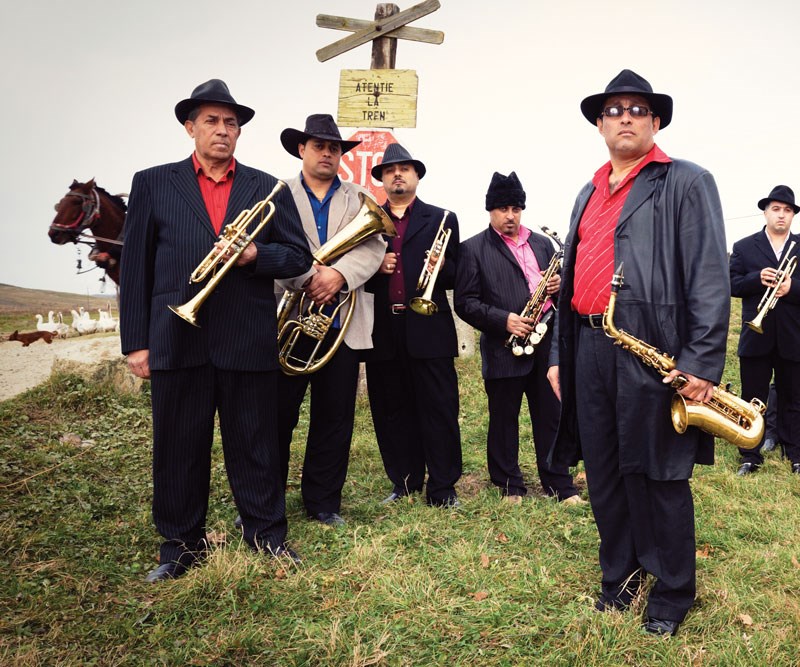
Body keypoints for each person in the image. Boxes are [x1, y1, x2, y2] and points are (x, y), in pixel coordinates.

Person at [546, 70, 729, 635]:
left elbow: (708, 277)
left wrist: (699, 363)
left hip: (656, 353)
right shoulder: (587, 190)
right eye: (614, 109)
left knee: (658, 474)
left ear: (655, 122)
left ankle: (672, 592)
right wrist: (558, 353)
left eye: (638, 109)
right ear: (600, 124)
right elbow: (569, 278)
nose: (625, 116)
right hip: (588, 349)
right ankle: (620, 579)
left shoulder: (687, 181)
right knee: (602, 470)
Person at [120, 79, 312, 582]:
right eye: (211, 121)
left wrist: (254, 254)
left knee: (255, 443)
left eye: (231, 123)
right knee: (178, 443)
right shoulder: (152, 183)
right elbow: (134, 268)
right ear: (190, 127)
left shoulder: (267, 188)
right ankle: (180, 546)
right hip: (175, 335)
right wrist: (135, 343)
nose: (222, 130)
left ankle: (266, 535)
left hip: (246, 336)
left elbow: (297, 258)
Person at [274, 114, 386, 525]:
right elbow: (268, 245)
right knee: (276, 418)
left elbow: (374, 249)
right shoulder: (278, 193)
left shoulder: (359, 196)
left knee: (334, 418)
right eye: (318, 145)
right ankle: (266, 499)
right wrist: (308, 278)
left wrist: (339, 275)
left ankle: (323, 503)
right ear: (301, 149)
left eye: (334, 147)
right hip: (288, 320)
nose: (327, 152)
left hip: (342, 324)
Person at [454, 171, 582, 505]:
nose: (510, 215)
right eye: (502, 208)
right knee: (503, 418)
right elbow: (464, 302)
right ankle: (509, 485)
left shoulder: (543, 244)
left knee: (551, 416)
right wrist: (504, 320)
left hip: (546, 342)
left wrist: (559, 286)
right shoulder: (472, 249)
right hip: (503, 346)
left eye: (515, 207)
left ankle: (560, 484)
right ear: (490, 210)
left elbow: (564, 289)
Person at [363, 143, 462, 507]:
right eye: (390, 171)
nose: (398, 174)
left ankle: (443, 486)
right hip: (384, 327)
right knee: (391, 408)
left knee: (438, 407)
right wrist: (376, 268)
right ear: (383, 181)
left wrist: (437, 266)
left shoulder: (442, 218)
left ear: (417, 176)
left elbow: (456, 275)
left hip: (428, 326)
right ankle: (403, 482)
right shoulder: (367, 221)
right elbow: (354, 273)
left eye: (405, 169)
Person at [730, 185, 800, 476]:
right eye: (776, 209)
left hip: (793, 335)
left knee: (794, 398)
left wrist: (791, 287)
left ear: (793, 215)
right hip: (755, 335)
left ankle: (795, 452)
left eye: (787, 210)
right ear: (765, 211)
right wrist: (757, 278)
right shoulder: (744, 246)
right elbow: (732, 284)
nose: (781, 215)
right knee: (752, 397)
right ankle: (750, 453)